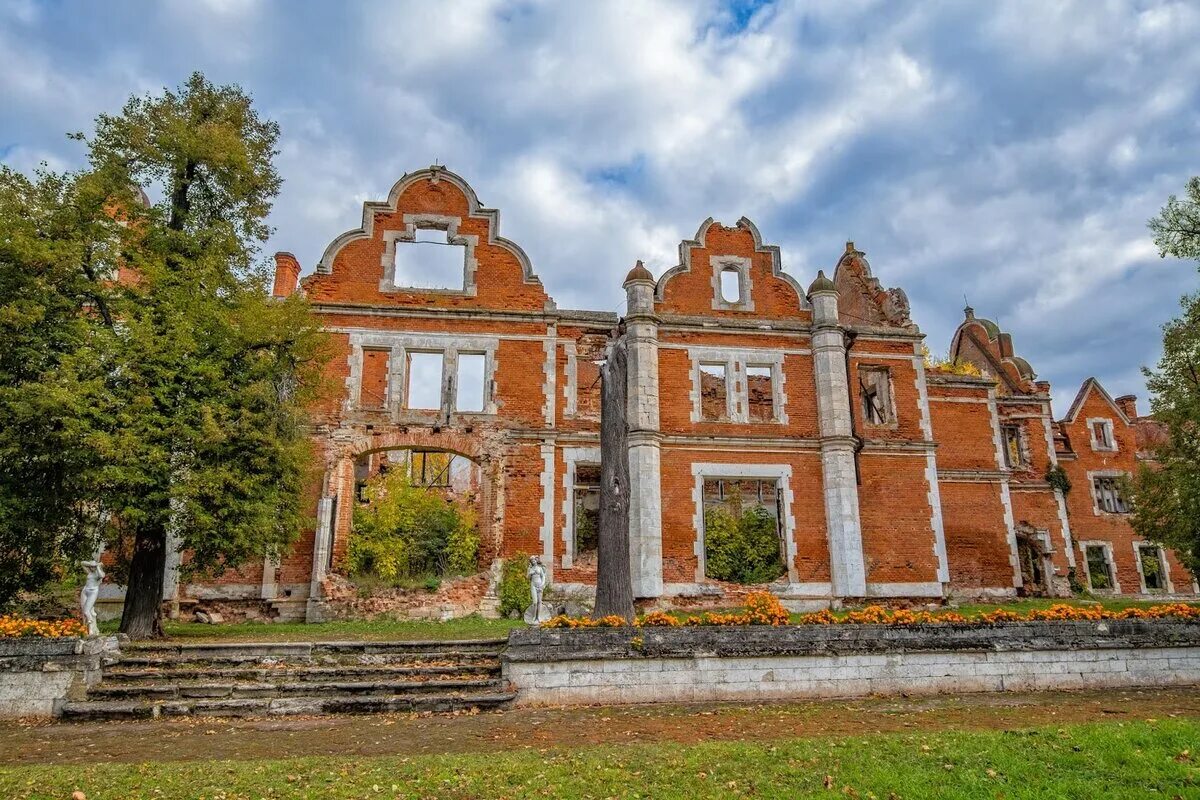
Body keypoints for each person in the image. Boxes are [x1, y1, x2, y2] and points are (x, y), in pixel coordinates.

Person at [80, 560, 105, 636]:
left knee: (86, 610)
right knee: (84, 611)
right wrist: (92, 564)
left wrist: (97, 566)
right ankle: (85, 629)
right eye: (91, 567)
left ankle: (91, 629)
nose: (92, 568)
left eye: (93, 567)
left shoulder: (98, 573)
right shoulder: (89, 572)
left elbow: (101, 576)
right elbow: (82, 563)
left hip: (93, 591)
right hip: (85, 591)